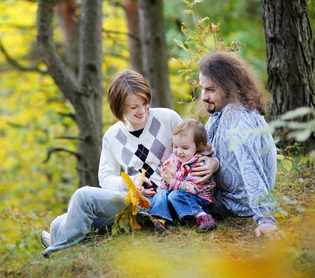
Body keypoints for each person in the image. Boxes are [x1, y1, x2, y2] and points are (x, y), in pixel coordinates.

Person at [40, 69, 218, 256]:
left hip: (165, 201)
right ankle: (63, 240)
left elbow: (195, 147)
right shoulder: (112, 135)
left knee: (82, 196)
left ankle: (58, 249)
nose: (141, 110)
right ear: (119, 107)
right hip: (134, 202)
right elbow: (105, 178)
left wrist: (214, 162)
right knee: (58, 223)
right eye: (133, 107)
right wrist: (131, 182)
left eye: (144, 103)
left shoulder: (167, 118)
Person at [197, 51, 278, 237]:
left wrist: (265, 219)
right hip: (223, 195)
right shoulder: (223, 111)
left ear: (229, 88)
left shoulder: (236, 116)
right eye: (202, 88)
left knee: (173, 195)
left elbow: (251, 168)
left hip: (236, 203)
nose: (203, 96)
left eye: (210, 90)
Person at [137, 119, 217, 232]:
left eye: (185, 148)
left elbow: (193, 189)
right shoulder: (175, 160)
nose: (179, 151)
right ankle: (158, 219)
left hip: (199, 202)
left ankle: (203, 217)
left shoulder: (200, 164)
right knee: (162, 193)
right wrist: (168, 177)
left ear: (199, 146)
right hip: (178, 201)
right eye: (175, 146)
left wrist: (172, 180)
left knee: (175, 195)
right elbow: (167, 188)